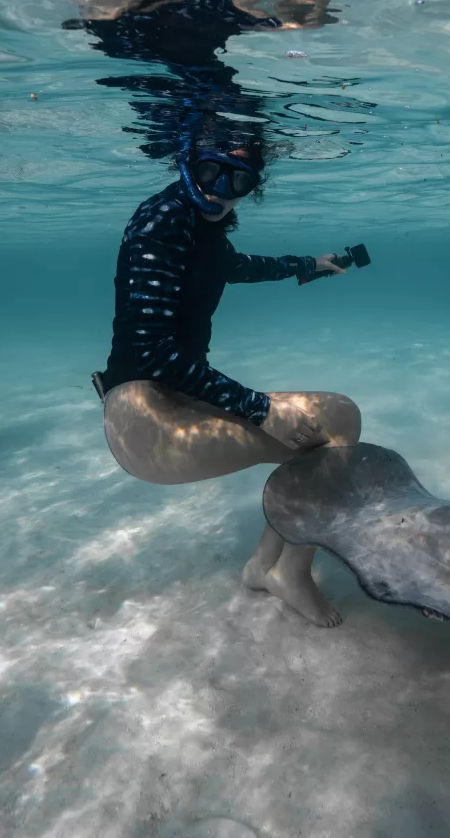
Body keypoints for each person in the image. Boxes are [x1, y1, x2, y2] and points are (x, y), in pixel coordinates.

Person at [97, 124, 361, 627]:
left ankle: (268, 568)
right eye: (211, 172)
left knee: (331, 420)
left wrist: (307, 264)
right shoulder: (165, 219)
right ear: (187, 160)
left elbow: (233, 266)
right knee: (336, 421)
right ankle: (282, 570)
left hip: (163, 403)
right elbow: (153, 353)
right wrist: (260, 410)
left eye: (238, 182)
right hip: (146, 423)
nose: (220, 190)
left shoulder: (195, 224)